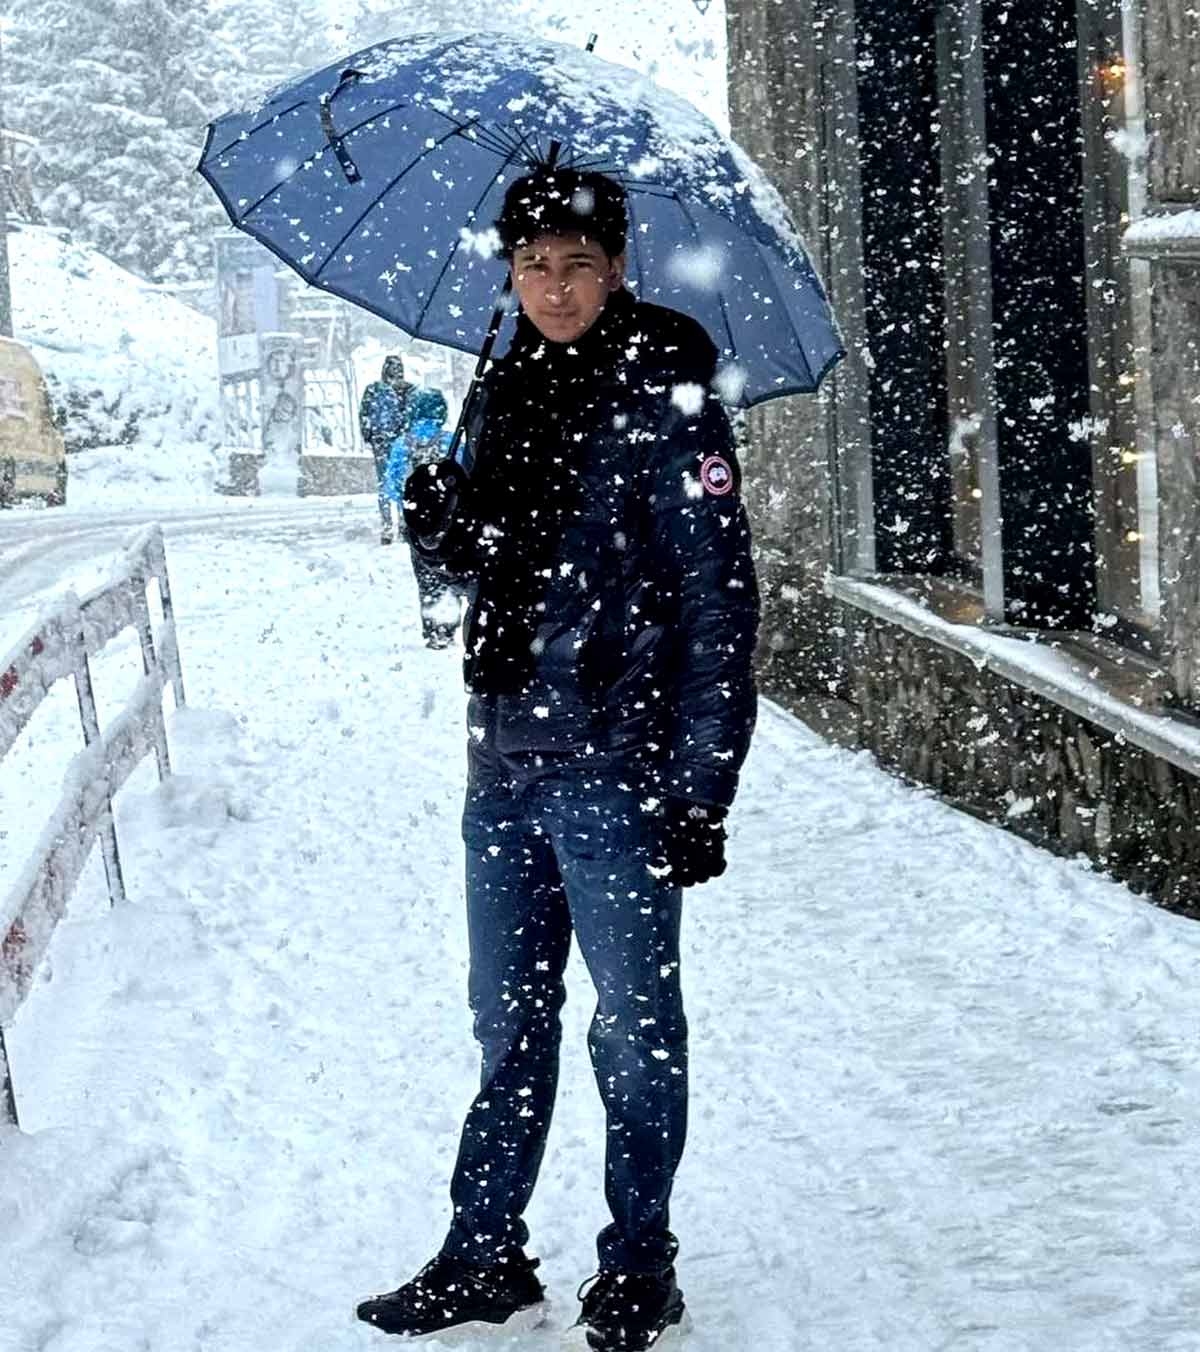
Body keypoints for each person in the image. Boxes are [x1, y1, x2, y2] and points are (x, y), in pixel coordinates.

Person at [356, 167, 760, 1352]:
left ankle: (639, 1261)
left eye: (579, 263)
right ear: (511, 270)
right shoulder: (504, 377)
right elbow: (482, 567)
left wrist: (701, 786)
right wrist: (441, 523)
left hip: (617, 766)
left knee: (633, 1027)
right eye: (534, 264)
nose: (555, 286)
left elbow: (717, 594)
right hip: (504, 756)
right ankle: (486, 1252)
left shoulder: (666, 380)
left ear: (618, 266)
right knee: (509, 1020)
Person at [400, 386, 463, 648]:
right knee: (450, 572)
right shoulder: (451, 440)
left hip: (418, 525)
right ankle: (448, 624)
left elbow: (393, 482)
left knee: (425, 578)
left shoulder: (404, 442)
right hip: (450, 523)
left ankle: (432, 628)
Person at [359, 355, 413, 543]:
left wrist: (370, 435)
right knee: (394, 483)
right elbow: (365, 413)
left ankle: (394, 525)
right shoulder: (401, 390)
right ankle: (395, 525)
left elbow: (364, 415)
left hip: (388, 442)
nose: (395, 369)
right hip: (390, 442)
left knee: (391, 483)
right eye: (393, 366)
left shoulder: (377, 390)